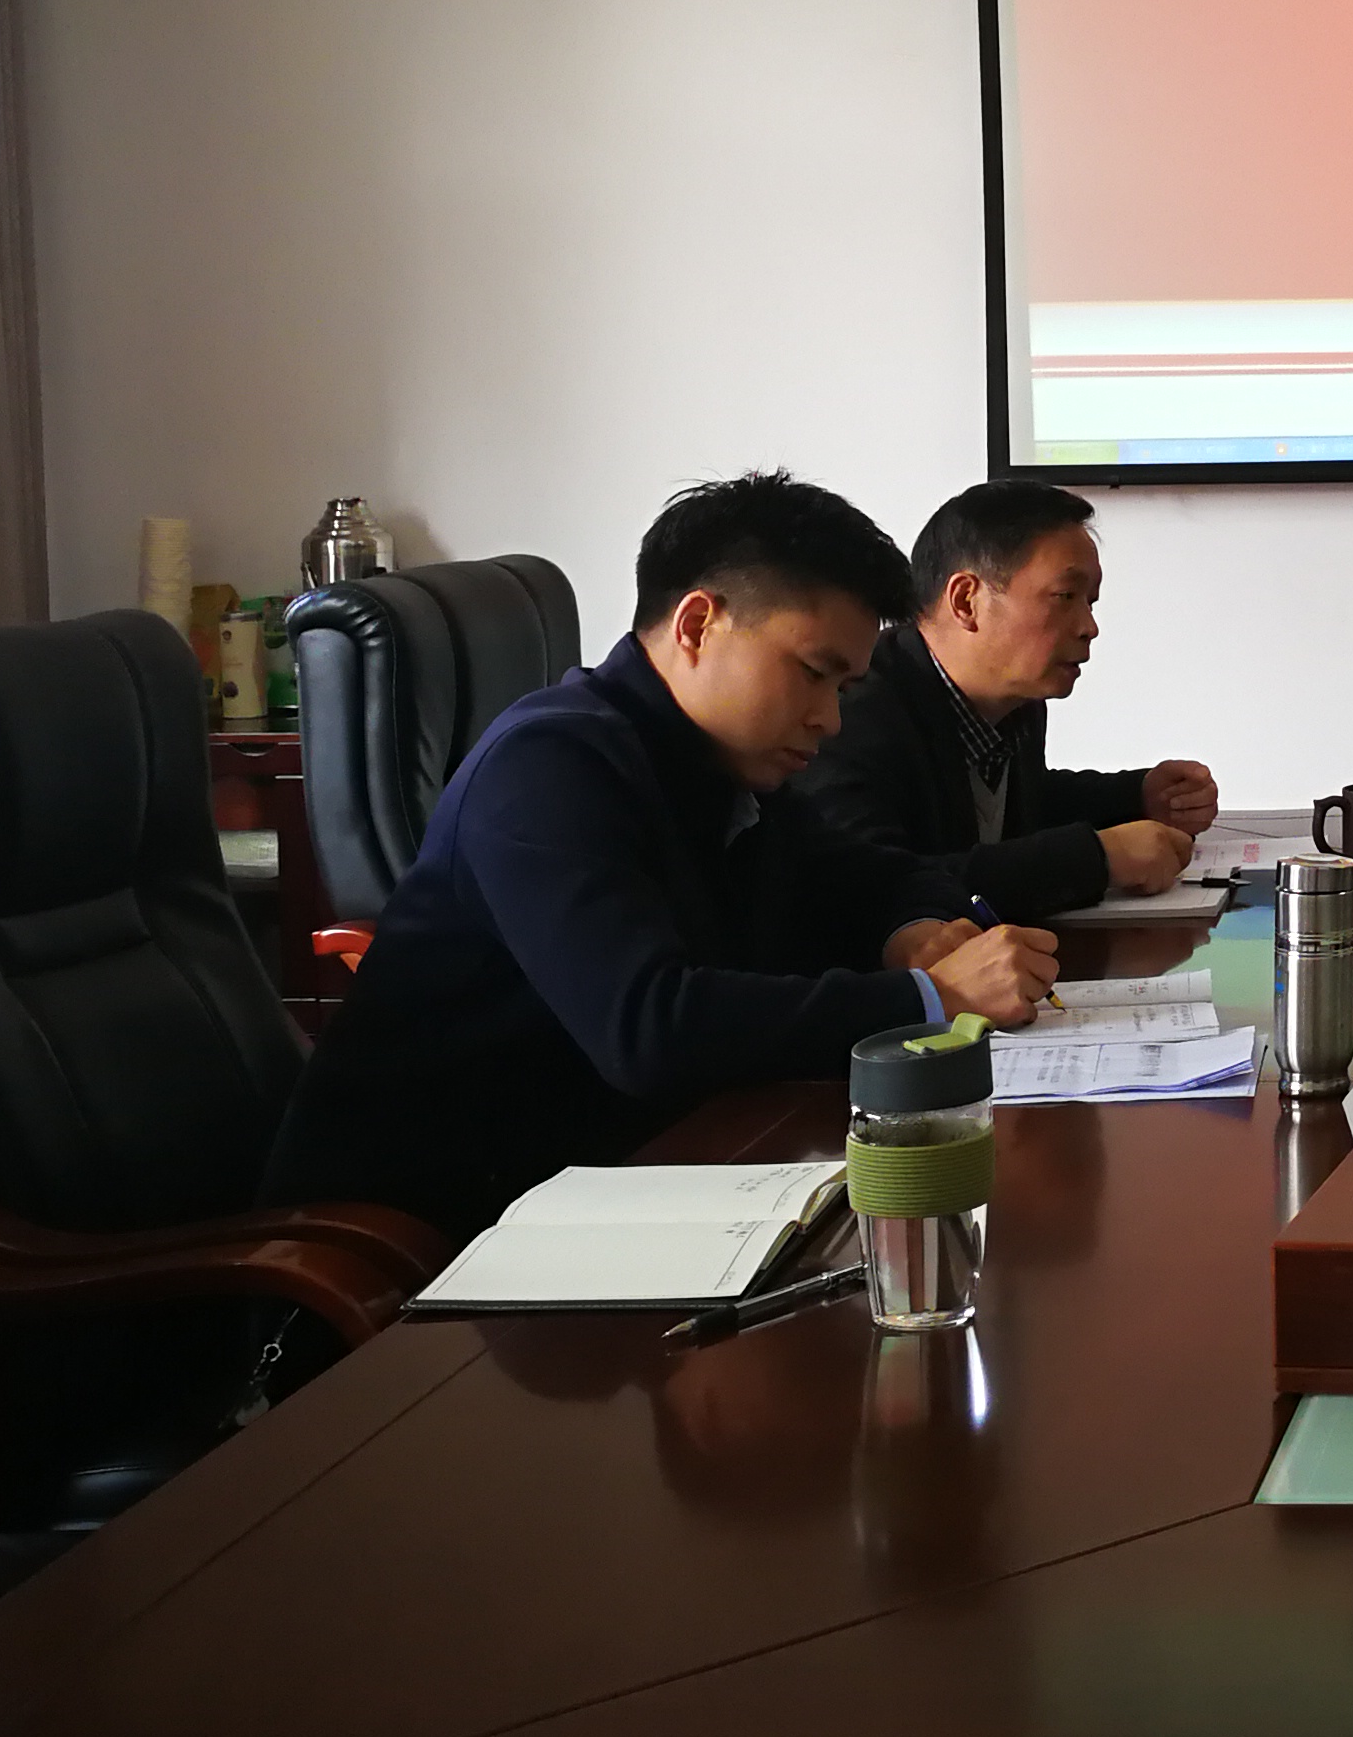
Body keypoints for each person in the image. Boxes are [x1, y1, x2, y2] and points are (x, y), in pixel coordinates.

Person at [262, 474, 1061, 1241]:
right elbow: (650, 1030)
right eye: (814, 674)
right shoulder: (549, 766)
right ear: (697, 624)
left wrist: (913, 929)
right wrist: (929, 996)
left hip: (624, 1188)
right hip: (426, 1248)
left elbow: (878, 870)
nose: (830, 719)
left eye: (844, 689)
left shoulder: (724, 766)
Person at [788, 479, 1221, 923]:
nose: (1089, 627)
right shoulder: (852, 710)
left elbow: (1021, 806)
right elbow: (876, 886)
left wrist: (1138, 794)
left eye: (1090, 602)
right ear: (966, 601)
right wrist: (1096, 859)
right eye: (1065, 597)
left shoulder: (1017, 702)